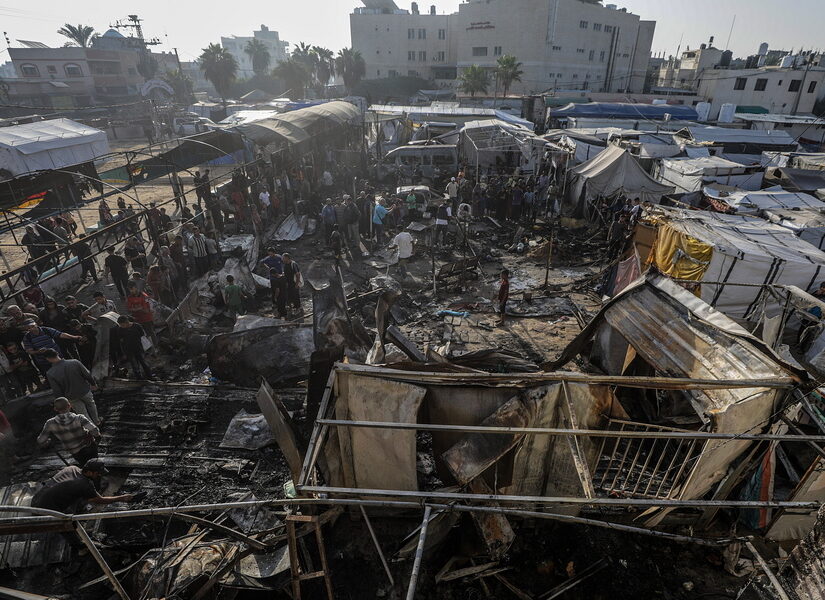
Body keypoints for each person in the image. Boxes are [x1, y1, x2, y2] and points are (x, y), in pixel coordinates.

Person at [31, 459, 139, 514]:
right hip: (46, 509)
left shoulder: (72, 468)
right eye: (98, 473)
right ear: (88, 472)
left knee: (75, 495)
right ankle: (80, 547)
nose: (100, 475)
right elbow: (100, 500)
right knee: (69, 524)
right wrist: (122, 498)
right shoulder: (85, 485)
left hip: (36, 498)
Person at [36, 397, 99, 465]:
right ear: (69, 405)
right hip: (89, 446)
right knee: (96, 464)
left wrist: (47, 441)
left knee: (85, 466)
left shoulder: (50, 423)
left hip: (75, 451)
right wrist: (97, 436)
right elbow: (94, 430)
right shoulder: (79, 418)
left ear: (55, 409)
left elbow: (40, 440)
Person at [44, 350, 99, 425]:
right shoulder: (74, 362)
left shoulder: (50, 373)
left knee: (82, 413)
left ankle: (92, 427)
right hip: (84, 390)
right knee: (91, 405)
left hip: (71, 397)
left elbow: (57, 390)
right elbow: (87, 374)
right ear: (57, 353)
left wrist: (62, 403)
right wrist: (93, 384)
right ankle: (97, 421)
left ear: (48, 359)